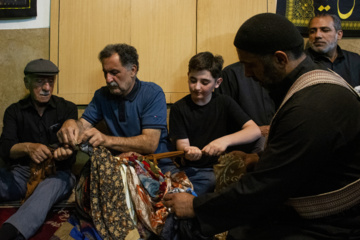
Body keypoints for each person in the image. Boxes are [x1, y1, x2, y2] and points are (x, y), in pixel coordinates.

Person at [163, 13, 360, 239]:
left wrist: (195, 207)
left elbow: (263, 189)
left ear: (280, 59)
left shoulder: (312, 106)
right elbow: (310, 157)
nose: (246, 74)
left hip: (336, 222)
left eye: (250, 65)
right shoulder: (310, 82)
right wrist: (261, 160)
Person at [56, 43, 173, 171]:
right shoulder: (102, 95)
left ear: (133, 70)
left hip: (156, 165)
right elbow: (83, 125)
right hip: (122, 166)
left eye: (114, 72)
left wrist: (106, 140)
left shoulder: (152, 93)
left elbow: (149, 143)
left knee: (179, 190)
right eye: (105, 73)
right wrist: (71, 124)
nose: (108, 79)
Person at [0, 59, 78, 240]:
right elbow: (5, 148)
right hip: (22, 173)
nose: (47, 87)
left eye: (51, 81)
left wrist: (66, 152)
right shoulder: (14, 111)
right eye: (40, 81)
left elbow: (73, 148)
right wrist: (28, 148)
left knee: (47, 189)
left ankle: (10, 232)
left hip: (59, 174)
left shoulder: (67, 108)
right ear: (26, 82)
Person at [169, 52, 261, 195]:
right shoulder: (178, 108)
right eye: (193, 80)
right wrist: (189, 151)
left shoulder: (224, 102)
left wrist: (223, 141)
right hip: (191, 169)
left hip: (218, 168)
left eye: (204, 82)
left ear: (217, 83)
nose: (197, 87)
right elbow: (182, 146)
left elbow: (254, 131)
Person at [215, 62, 275, 137]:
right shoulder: (230, 73)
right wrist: (255, 131)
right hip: (245, 145)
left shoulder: (279, 70)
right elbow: (221, 123)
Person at [306, 13, 360, 88]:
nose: (317, 35)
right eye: (312, 31)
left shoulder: (355, 60)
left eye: (325, 30)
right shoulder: (300, 61)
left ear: (339, 35)